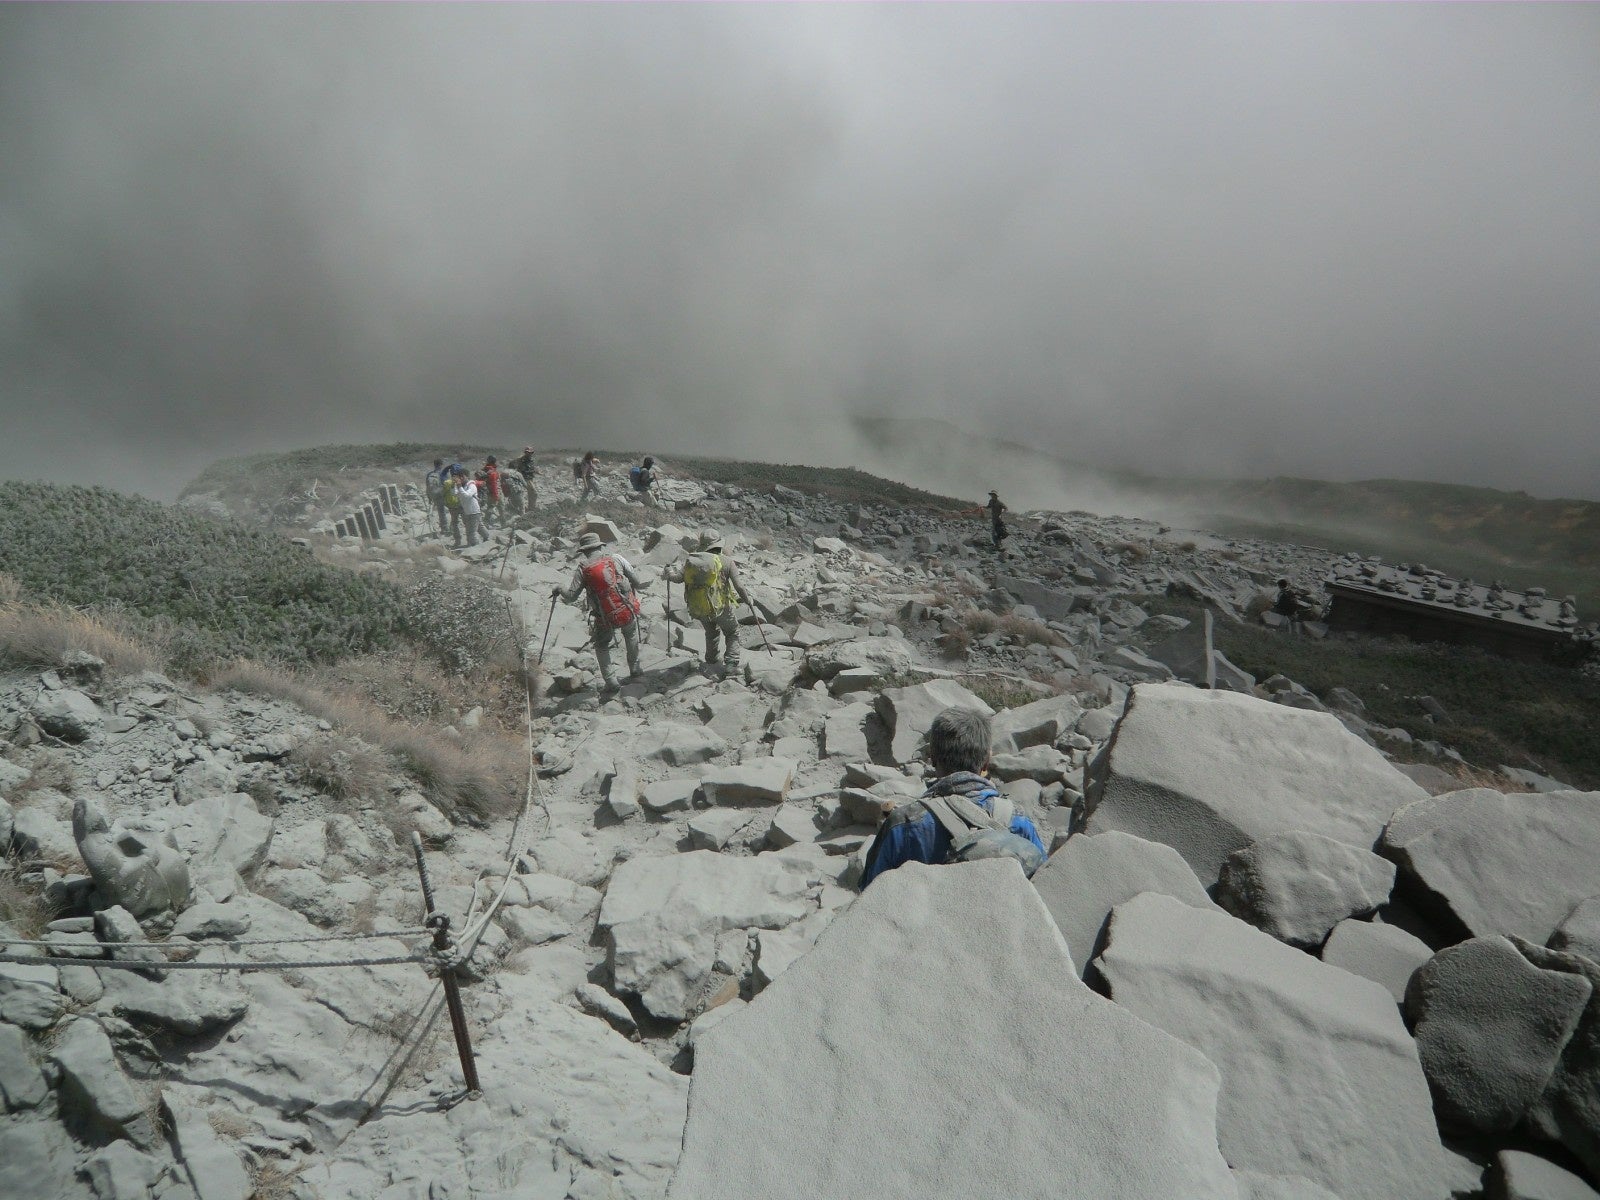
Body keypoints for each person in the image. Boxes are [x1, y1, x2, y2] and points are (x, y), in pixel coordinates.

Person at [859, 706, 1046, 888]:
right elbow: (1045, 882)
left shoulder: (903, 823)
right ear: (986, 762)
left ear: (932, 757)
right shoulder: (1018, 820)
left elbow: (870, 894)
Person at [554, 531, 645, 693]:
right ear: (600, 546)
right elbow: (637, 581)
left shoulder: (583, 569)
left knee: (602, 645)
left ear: (584, 551)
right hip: (625, 609)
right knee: (630, 635)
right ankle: (635, 669)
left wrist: (559, 588)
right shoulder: (615, 559)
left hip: (604, 616)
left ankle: (611, 681)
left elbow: (570, 597)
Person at [666, 529, 751, 675]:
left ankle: (711, 660)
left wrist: (668, 573)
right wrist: (748, 601)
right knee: (732, 632)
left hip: (700, 607)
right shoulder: (727, 561)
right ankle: (731, 664)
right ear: (718, 544)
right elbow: (739, 586)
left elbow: (678, 578)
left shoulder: (692, 561)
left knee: (711, 632)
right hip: (722, 607)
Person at [453, 468, 485, 547]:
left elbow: (467, 496)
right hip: (467, 511)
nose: (461, 478)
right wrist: (455, 485)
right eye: (459, 477)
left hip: (474, 511)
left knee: (471, 532)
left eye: (462, 477)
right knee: (479, 527)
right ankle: (487, 537)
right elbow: (455, 494)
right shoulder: (462, 486)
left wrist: (459, 486)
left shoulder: (472, 485)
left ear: (467, 476)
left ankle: (475, 547)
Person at [425, 458, 450, 533]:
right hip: (445, 495)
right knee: (453, 511)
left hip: (436, 496)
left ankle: (444, 528)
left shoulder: (429, 474)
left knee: (441, 512)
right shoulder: (445, 473)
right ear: (441, 465)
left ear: (434, 465)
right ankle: (452, 527)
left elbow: (428, 487)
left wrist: (429, 497)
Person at [479, 457, 503, 527]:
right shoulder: (493, 472)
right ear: (494, 462)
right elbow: (494, 484)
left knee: (490, 507)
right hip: (495, 492)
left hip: (488, 492)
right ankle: (503, 523)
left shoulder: (485, 470)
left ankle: (486, 522)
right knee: (499, 507)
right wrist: (496, 495)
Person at [986, 491, 1009, 557]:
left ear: (996, 496)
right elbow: (988, 507)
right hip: (994, 520)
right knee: (994, 532)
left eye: (994, 495)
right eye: (992, 495)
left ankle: (999, 545)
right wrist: (983, 507)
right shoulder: (991, 501)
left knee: (999, 531)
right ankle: (998, 545)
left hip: (999, 520)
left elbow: (1006, 508)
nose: (992, 496)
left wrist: (1002, 513)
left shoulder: (999, 503)